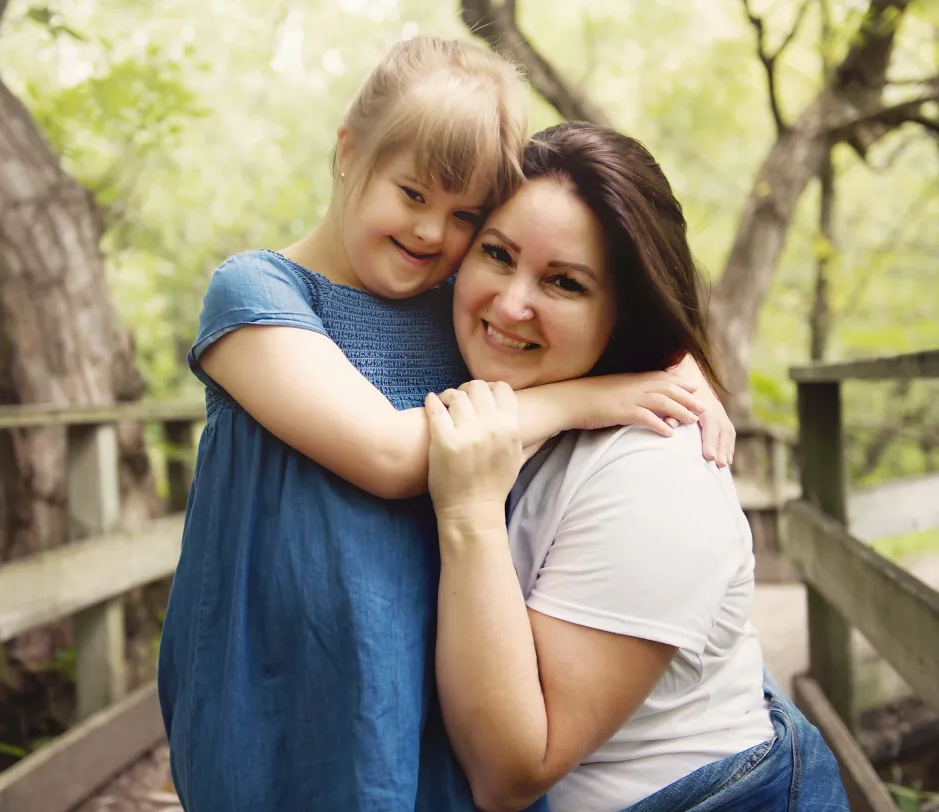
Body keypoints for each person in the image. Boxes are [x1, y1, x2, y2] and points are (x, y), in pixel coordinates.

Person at [157, 39, 730, 811]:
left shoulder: (458, 302)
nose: (432, 233)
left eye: (465, 215)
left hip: (413, 657)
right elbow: (394, 456)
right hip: (279, 664)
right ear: (350, 149)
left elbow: (581, 300)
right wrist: (584, 401)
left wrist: (677, 368)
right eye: (413, 193)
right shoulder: (259, 295)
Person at [420, 121, 849, 812]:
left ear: (625, 314)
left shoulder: (656, 475)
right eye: (497, 254)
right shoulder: (521, 392)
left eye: (564, 282)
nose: (510, 304)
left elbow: (510, 769)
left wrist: (468, 512)